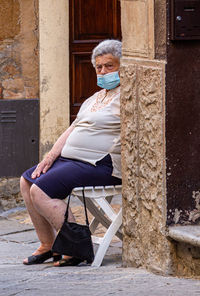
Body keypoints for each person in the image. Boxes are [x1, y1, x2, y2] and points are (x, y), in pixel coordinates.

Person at [20, 39, 122, 267]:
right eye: (99, 67)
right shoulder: (94, 98)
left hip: (100, 164)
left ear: (122, 66)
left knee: (40, 190)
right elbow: (73, 128)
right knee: (27, 181)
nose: (103, 71)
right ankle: (48, 246)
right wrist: (50, 156)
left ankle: (76, 248)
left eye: (109, 66)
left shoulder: (126, 97)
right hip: (73, 161)